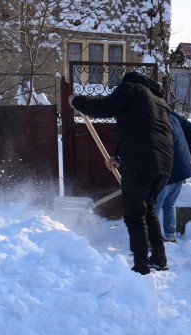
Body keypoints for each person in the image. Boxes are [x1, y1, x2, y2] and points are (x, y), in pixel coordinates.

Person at [69, 71, 173, 275]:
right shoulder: (159, 101)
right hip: (164, 164)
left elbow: (103, 107)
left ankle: (141, 265)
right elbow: (142, 132)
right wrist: (119, 157)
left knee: (135, 214)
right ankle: (159, 258)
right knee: (148, 209)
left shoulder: (131, 89)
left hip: (142, 161)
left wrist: (77, 101)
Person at [155, 110, 191, 242]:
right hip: (181, 166)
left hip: (165, 167)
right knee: (169, 203)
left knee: (154, 206)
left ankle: (151, 239)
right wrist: (189, 151)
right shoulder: (171, 114)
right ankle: (170, 235)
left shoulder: (150, 115)